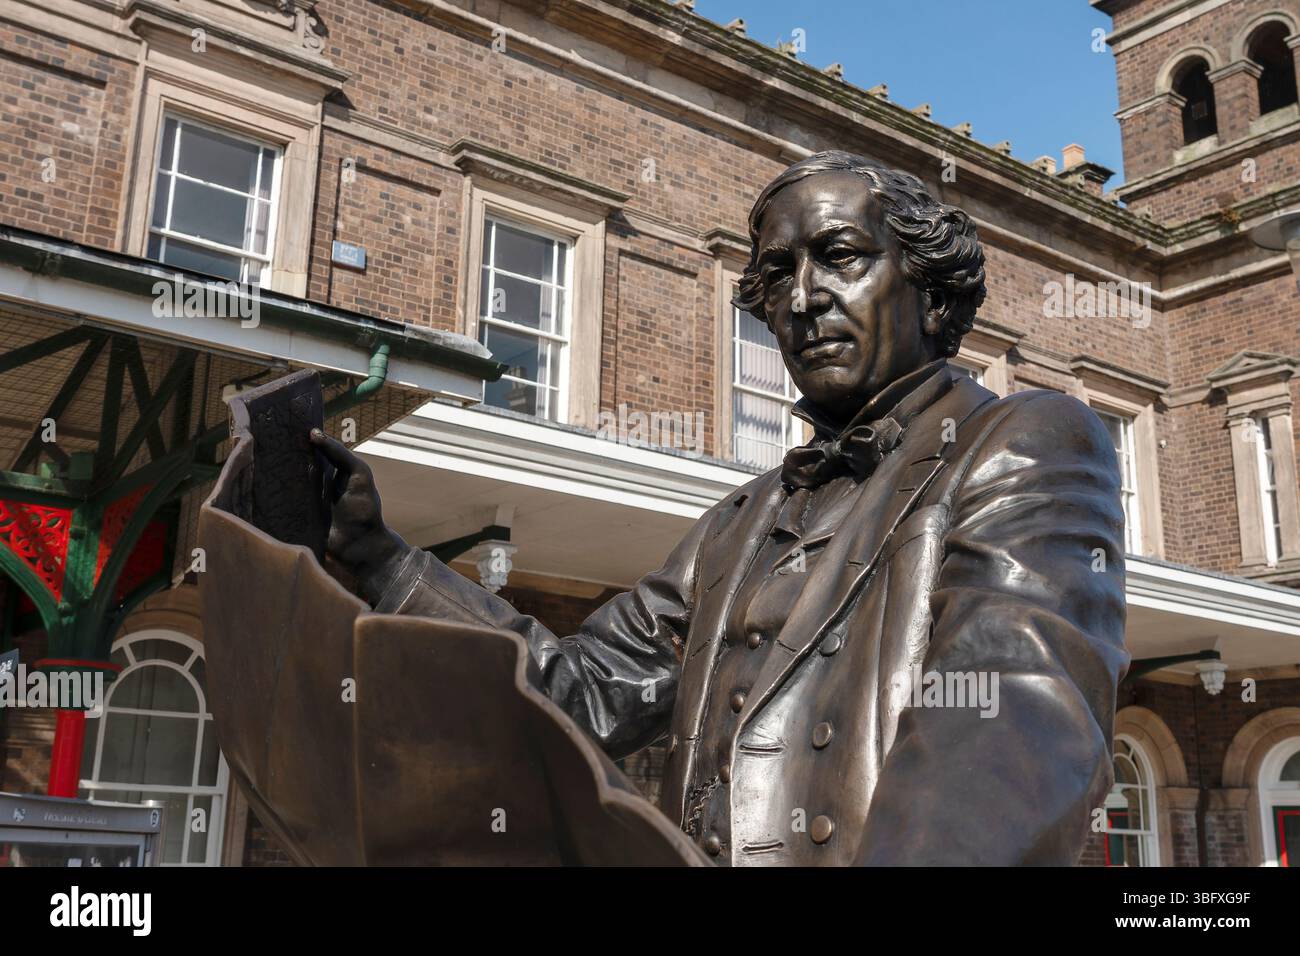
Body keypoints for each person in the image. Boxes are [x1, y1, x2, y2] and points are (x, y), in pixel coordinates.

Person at [311, 151, 1129, 866]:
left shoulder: (1025, 438)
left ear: (933, 293)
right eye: (778, 276)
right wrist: (382, 560)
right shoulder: (739, 520)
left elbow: (1004, 724)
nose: (804, 298)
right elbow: (584, 691)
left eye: (841, 257)